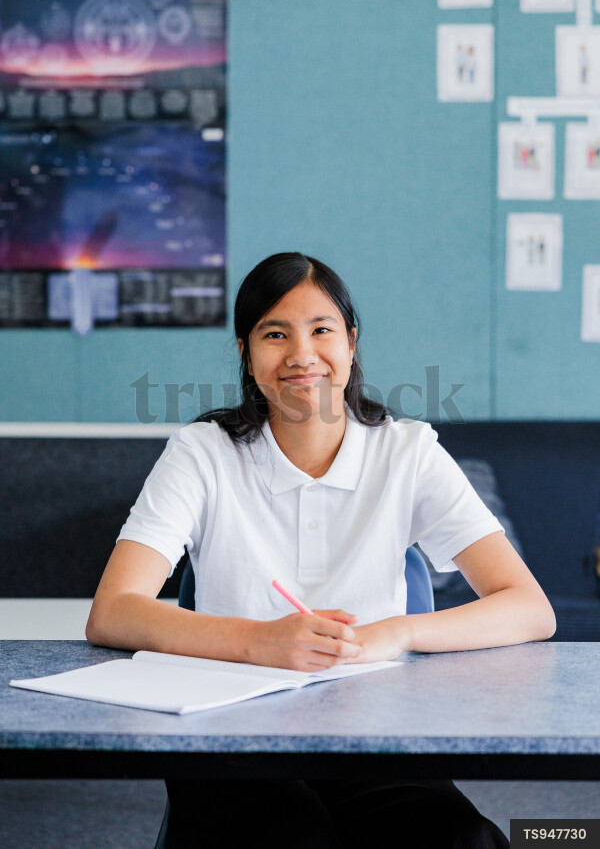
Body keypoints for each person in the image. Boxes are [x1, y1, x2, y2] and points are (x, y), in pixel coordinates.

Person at [87, 252, 556, 848]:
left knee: (459, 838)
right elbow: (113, 611)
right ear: (245, 352)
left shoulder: (406, 451)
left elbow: (529, 608)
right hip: (230, 737)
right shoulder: (201, 453)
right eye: (275, 333)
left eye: (322, 330)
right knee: (290, 836)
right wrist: (259, 641)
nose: (301, 354)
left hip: (376, 736)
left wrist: (398, 633)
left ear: (351, 342)